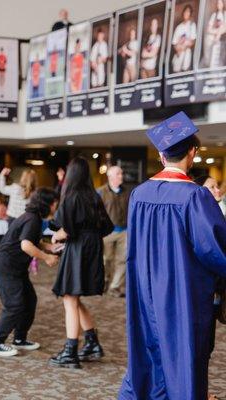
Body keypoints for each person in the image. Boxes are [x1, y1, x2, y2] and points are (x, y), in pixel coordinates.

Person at [119, 112, 226, 399]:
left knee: (148, 348)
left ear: (161, 154)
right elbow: (214, 250)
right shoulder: (195, 197)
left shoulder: (139, 195)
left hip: (144, 288)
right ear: (192, 153)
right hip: (182, 292)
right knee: (183, 353)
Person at [49, 157, 114, 369]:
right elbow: (108, 227)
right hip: (93, 247)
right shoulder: (94, 196)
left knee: (70, 297)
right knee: (74, 296)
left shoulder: (70, 197)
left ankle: (70, 352)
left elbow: (65, 229)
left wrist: (56, 237)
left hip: (77, 249)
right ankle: (92, 343)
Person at [0, 188, 61, 357]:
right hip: (7, 267)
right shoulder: (32, 219)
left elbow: (31, 240)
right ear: (47, 204)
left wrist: (49, 247)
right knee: (14, 305)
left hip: (15, 267)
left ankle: (19, 339)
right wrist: (47, 258)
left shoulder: (31, 217)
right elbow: (26, 246)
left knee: (29, 301)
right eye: (55, 204)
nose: (55, 207)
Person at [97, 166, 129, 298]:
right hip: (106, 232)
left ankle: (115, 287)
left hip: (125, 231)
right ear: (110, 177)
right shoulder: (100, 192)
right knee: (106, 260)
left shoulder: (126, 192)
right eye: (118, 174)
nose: (121, 176)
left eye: (121, 173)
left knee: (123, 260)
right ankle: (104, 282)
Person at [172, 5, 197, 73]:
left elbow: (192, 41)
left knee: (185, 73)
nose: (186, 13)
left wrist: (182, 47)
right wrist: (178, 49)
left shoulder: (192, 25)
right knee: (176, 73)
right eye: (185, 12)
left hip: (186, 54)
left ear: (190, 14)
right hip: (178, 54)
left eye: (188, 12)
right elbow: (174, 43)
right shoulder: (178, 27)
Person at [202, 0, 226, 68]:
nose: (219, 4)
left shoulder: (225, 14)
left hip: (223, 38)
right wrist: (217, 33)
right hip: (214, 39)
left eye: (220, 3)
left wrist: (219, 33)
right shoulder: (214, 15)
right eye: (218, 3)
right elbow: (209, 29)